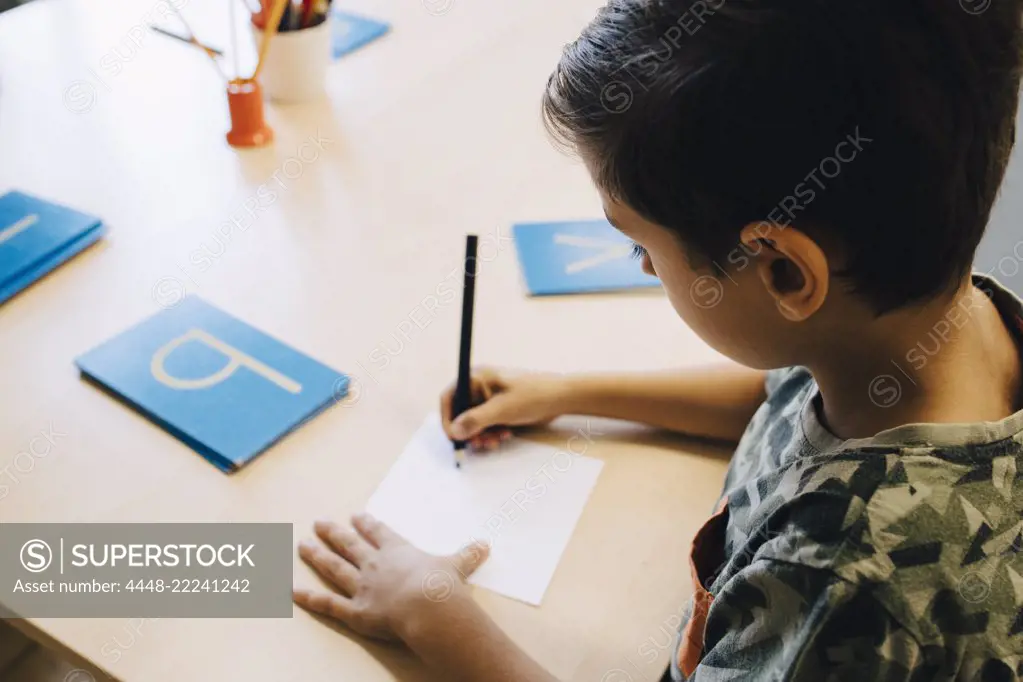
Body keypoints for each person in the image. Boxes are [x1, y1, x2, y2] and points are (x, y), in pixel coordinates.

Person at [291, 0, 1023, 678]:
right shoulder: (938, 330)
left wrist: (435, 620)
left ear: (783, 273)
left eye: (639, 246)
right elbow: (774, 400)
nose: (638, 265)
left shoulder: (843, 577)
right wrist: (572, 393)